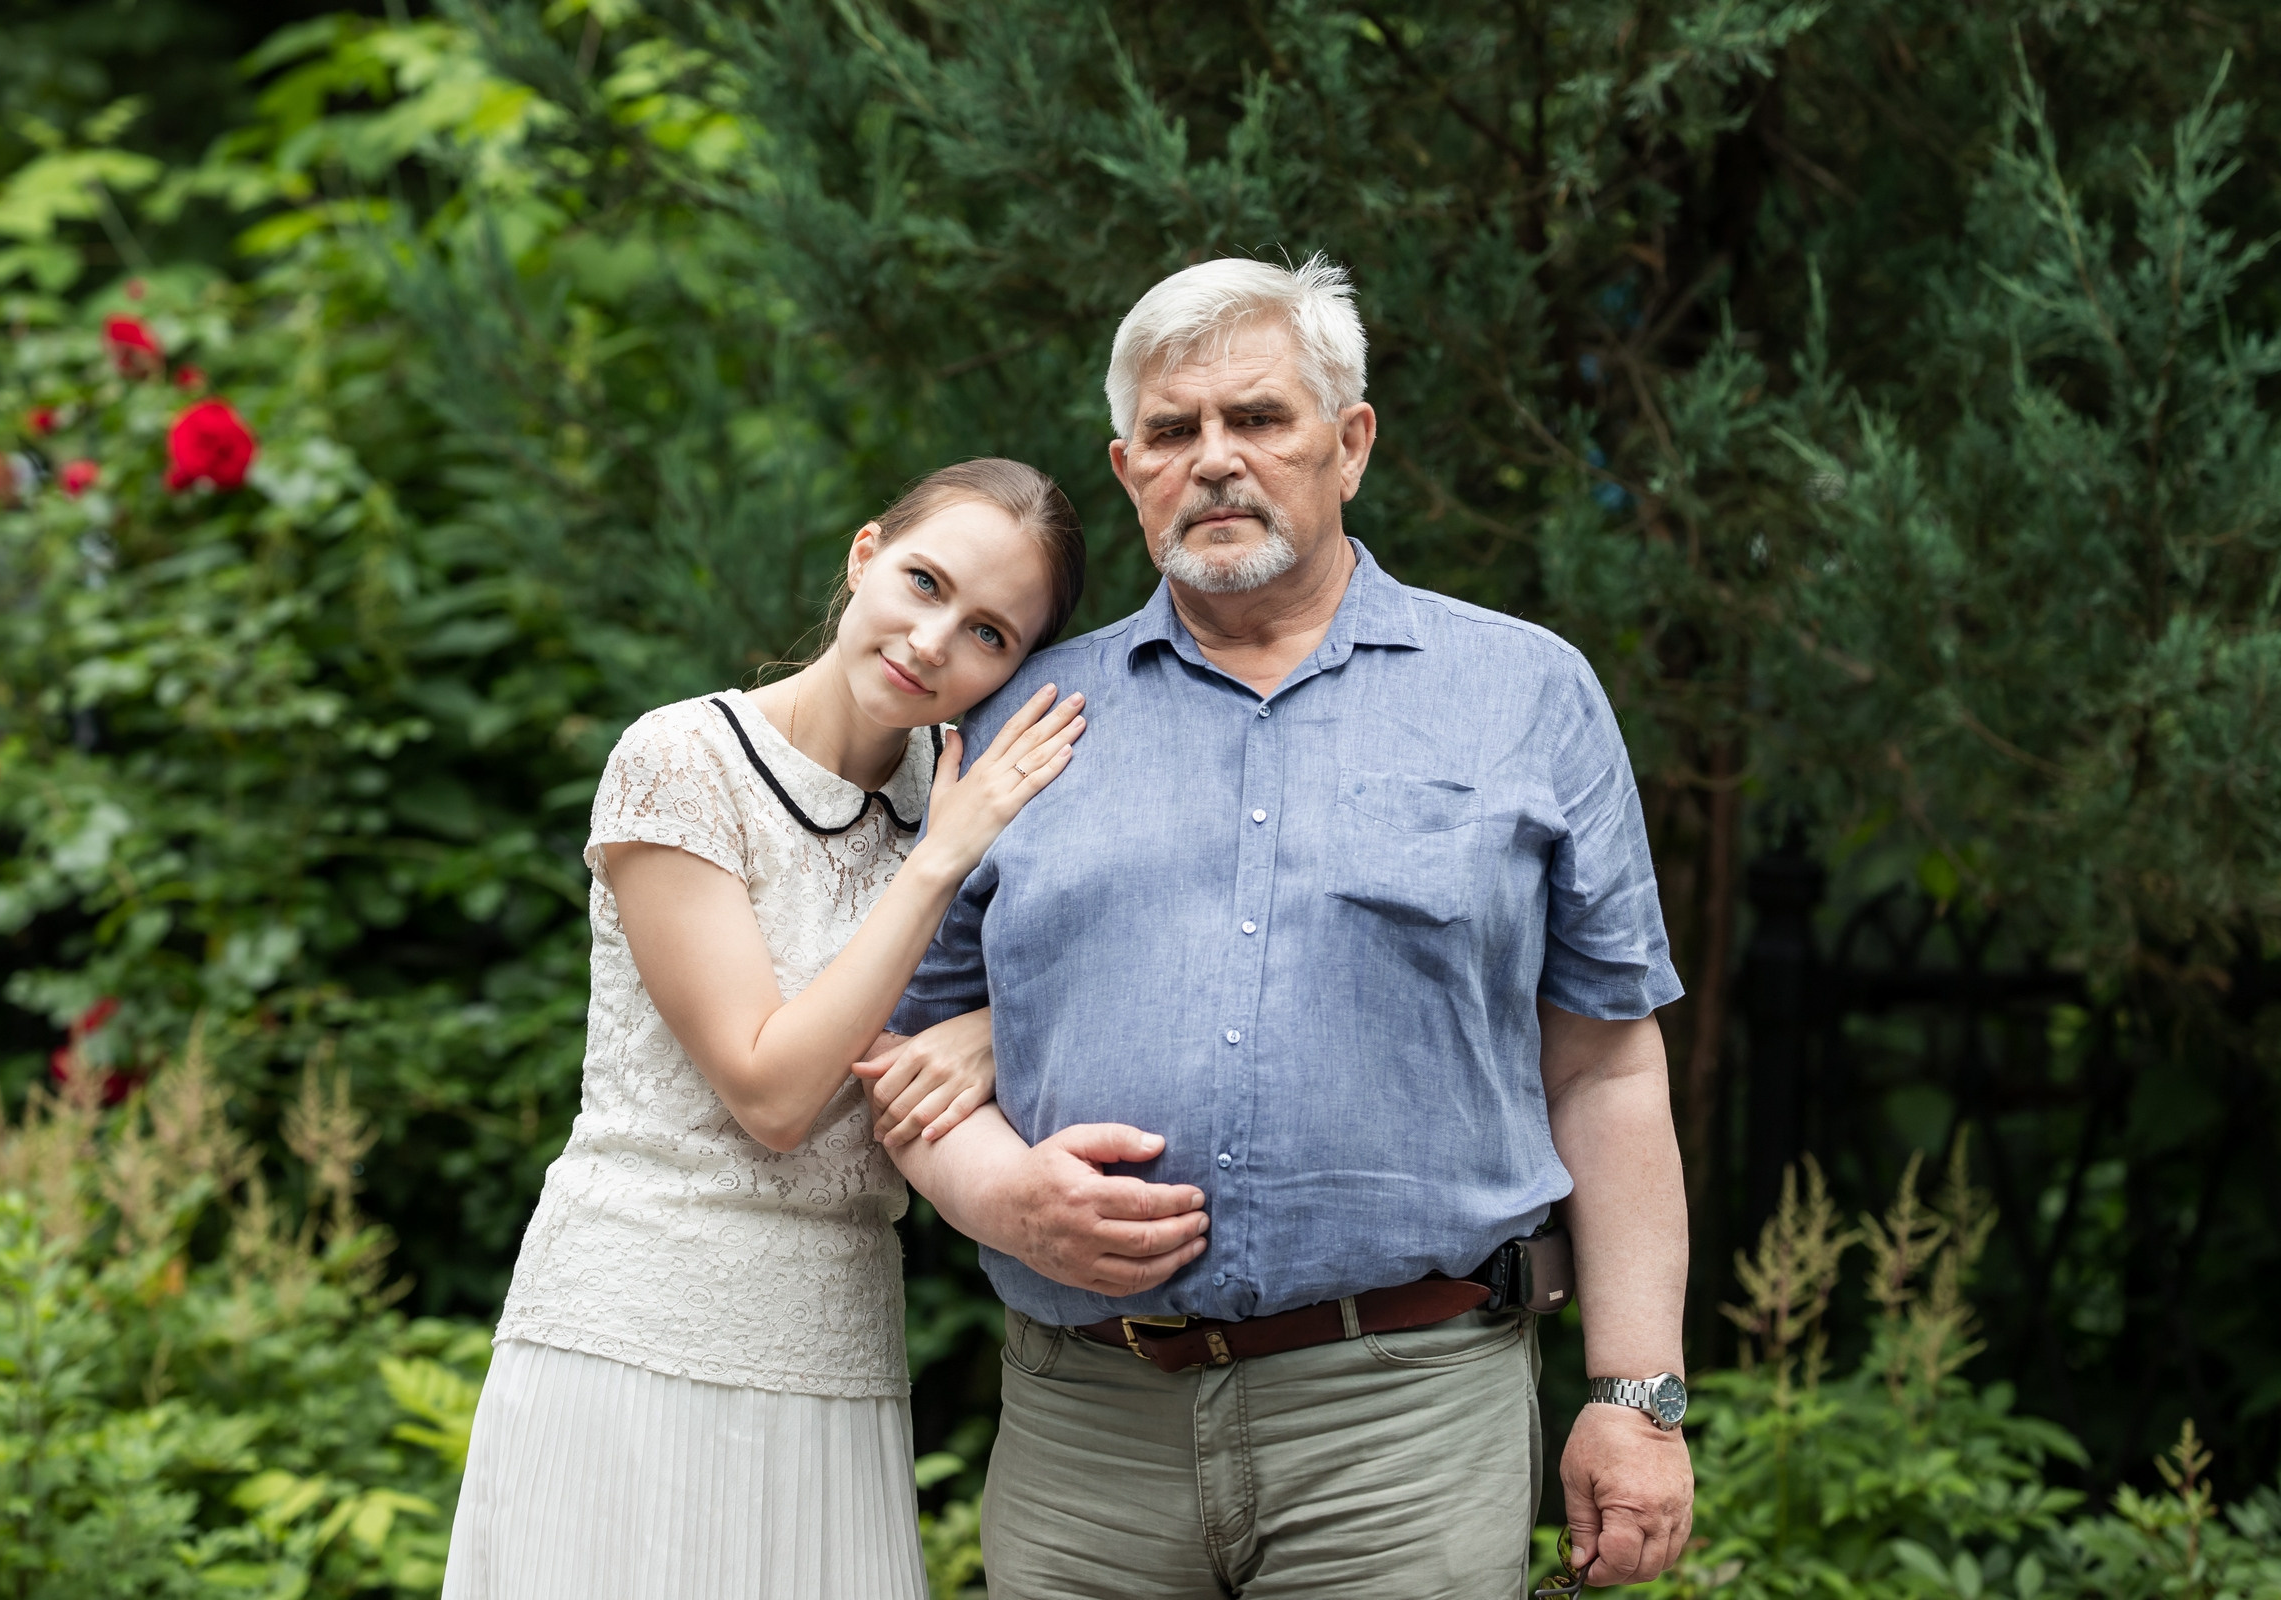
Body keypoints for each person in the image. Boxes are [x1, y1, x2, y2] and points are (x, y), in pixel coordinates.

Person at [866, 257, 1696, 1599]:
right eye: (1173, 431)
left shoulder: (1525, 695)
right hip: (1086, 1434)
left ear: (1349, 443)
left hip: (1402, 1426)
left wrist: (1637, 1395)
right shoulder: (1017, 714)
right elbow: (906, 1051)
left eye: (1258, 418)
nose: (1214, 460)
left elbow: (1605, 1064)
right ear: (1128, 468)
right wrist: (1001, 1199)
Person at [443, 458, 1204, 1600]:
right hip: (636, 1332)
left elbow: (1111, 972)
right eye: (924, 582)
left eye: (990, 634)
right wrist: (943, 858)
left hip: (838, 1346)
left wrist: (992, 1028)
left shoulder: (964, 791)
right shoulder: (683, 762)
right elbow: (773, 1092)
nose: (933, 641)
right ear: (864, 555)